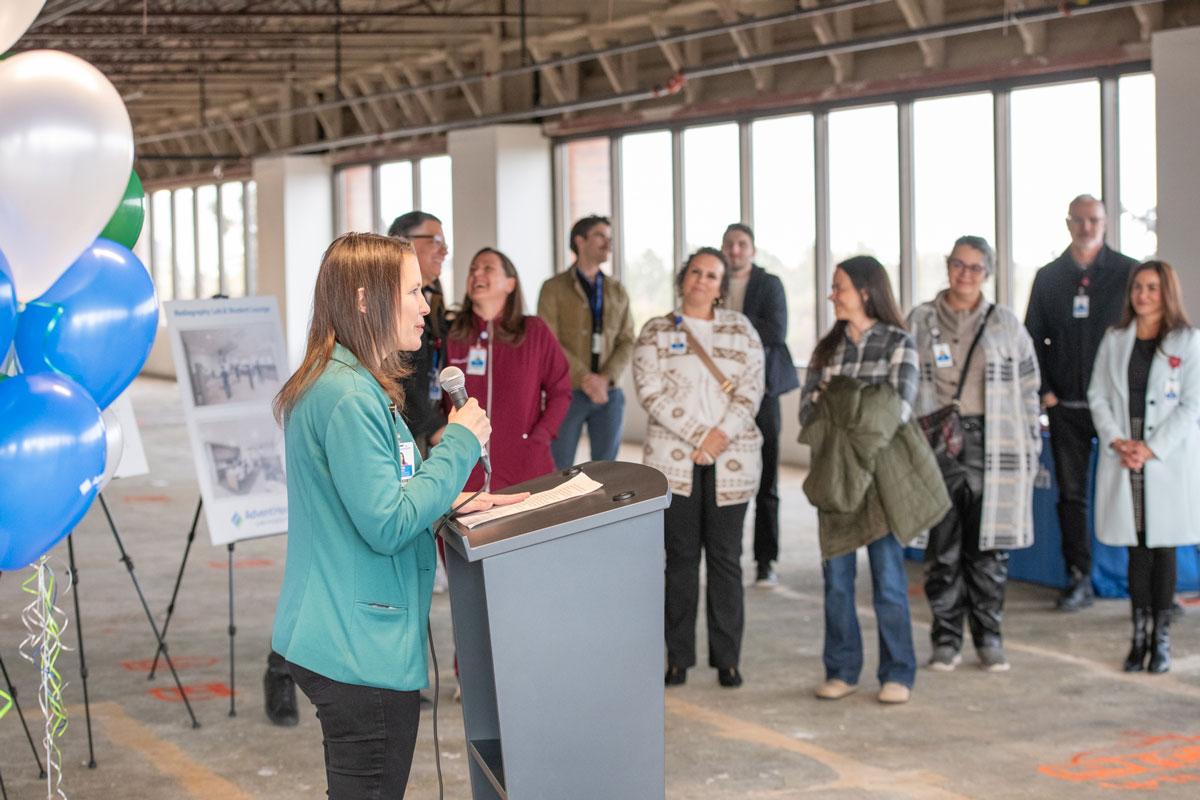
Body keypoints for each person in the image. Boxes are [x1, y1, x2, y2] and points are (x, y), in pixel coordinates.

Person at [270, 233, 525, 798]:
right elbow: (386, 522)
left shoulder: (345, 382)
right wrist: (458, 445)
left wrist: (449, 500)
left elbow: (369, 494)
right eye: (414, 291)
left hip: (337, 630)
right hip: (357, 645)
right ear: (365, 300)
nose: (427, 305)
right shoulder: (349, 397)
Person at [907, 236, 1041, 673]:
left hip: (992, 443)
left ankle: (989, 638)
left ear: (988, 273)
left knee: (989, 551)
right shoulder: (922, 320)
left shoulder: (1004, 323)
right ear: (947, 267)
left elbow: (1028, 388)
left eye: (975, 268)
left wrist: (1030, 445)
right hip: (936, 442)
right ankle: (946, 640)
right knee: (942, 547)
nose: (965, 274)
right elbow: (904, 383)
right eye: (958, 265)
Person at [633, 248, 764, 689]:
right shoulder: (655, 331)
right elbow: (650, 392)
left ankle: (728, 659)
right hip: (676, 461)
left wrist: (719, 435)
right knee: (681, 560)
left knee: (726, 560)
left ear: (722, 286)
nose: (702, 281)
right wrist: (698, 435)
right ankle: (679, 658)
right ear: (682, 278)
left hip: (731, 461)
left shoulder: (742, 331)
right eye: (695, 272)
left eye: (712, 275)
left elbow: (751, 389)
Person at [799, 256, 926, 705]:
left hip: (880, 480)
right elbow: (808, 415)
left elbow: (899, 410)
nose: (833, 294)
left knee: (889, 580)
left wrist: (844, 408)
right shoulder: (827, 349)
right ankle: (842, 669)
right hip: (835, 479)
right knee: (836, 579)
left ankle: (898, 673)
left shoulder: (899, 342)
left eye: (840, 287)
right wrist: (860, 408)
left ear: (866, 291)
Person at [1025, 194, 1138, 611]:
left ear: (1105, 223)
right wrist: (1047, 394)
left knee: (1127, 491)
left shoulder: (1128, 273)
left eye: (1094, 219)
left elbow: (1141, 334)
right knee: (1072, 495)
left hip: (1116, 408)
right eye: (1079, 220)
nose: (1086, 227)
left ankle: (1140, 580)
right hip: (1066, 407)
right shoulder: (1049, 277)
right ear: (1068, 223)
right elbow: (1032, 338)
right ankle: (1079, 578)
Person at [1088, 261, 1200, 674]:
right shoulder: (1115, 339)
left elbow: (1192, 404)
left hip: (1164, 457)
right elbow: (1097, 393)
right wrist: (1119, 440)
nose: (1143, 295)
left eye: (1152, 288)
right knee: (1136, 549)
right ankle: (1138, 637)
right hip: (1125, 453)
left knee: (1164, 547)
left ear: (1166, 292)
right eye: (1138, 287)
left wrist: (1151, 449)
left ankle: (1162, 639)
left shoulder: (1188, 341)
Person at [443, 247, 572, 491]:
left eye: (487, 268)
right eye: (473, 269)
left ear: (510, 284)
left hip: (525, 467)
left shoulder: (534, 331)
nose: (477, 274)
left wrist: (541, 436)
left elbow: (561, 390)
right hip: (465, 470)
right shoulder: (453, 333)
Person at [721, 223, 800, 588]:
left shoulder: (769, 285)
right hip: (721, 395)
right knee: (725, 479)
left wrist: (730, 324)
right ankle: (727, 555)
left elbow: (775, 332)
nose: (735, 251)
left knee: (767, 482)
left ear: (752, 250)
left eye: (741, 245)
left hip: (764, 392)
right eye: (730, 245)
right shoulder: (716, 281)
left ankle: (766, 561)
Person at [538, 215, 636, 468]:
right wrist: (585, 378)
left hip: (609, 393)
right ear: (580, 241)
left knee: (607, 471)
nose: (608, 243)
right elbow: (549, 340)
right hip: (567, 391)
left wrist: (604, 379)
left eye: (609, 238)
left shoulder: (617, 290)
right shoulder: (553, 288)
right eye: (600, 236)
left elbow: (627, 340)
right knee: (558, 467)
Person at [388, 210, 451, 455]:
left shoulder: (434, 294)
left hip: (426, 424)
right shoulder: (389, 300)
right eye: (436, 241)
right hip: (403, 427)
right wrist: (433, 426)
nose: (444, 251)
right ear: (403, 241)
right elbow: (398, 372)